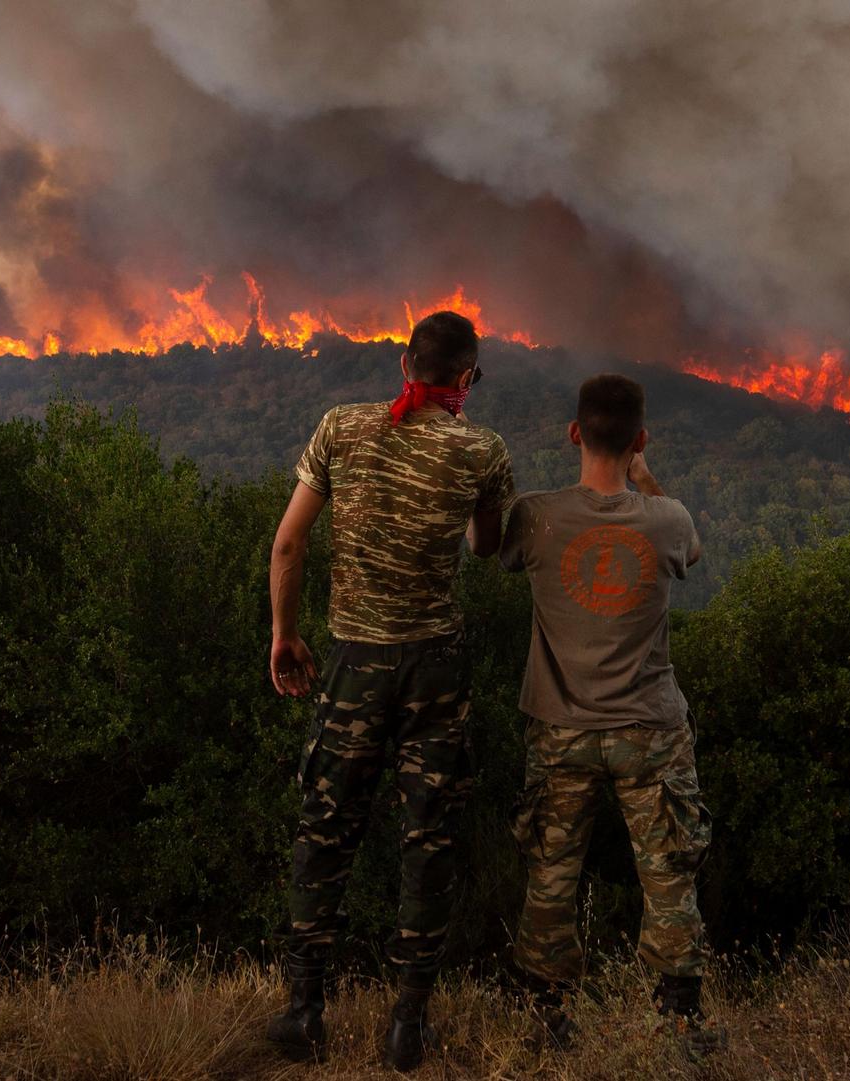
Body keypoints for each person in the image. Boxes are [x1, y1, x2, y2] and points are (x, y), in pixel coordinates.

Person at [264, 310, 515, 1072]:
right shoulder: (483, 448)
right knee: (427, 836)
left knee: (326, 830)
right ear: (466, 378)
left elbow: (288, 541)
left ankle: (306, 1012)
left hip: (354, 662)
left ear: (405, 361)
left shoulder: (340, 427)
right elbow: (487, 544)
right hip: (435, 666)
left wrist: (284, 632)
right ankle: (408, 1024)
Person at [498, 373, 718, 1052]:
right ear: (639, 440)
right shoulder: (667, 518)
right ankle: (679, 1023)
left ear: (574, 433)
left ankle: (545, 1020)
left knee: (551, 871)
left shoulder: (535, 516)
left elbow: (494, 550)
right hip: (649, 730)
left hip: (560, 729)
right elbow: (695, 553)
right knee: (668, 872)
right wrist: (646, 480)